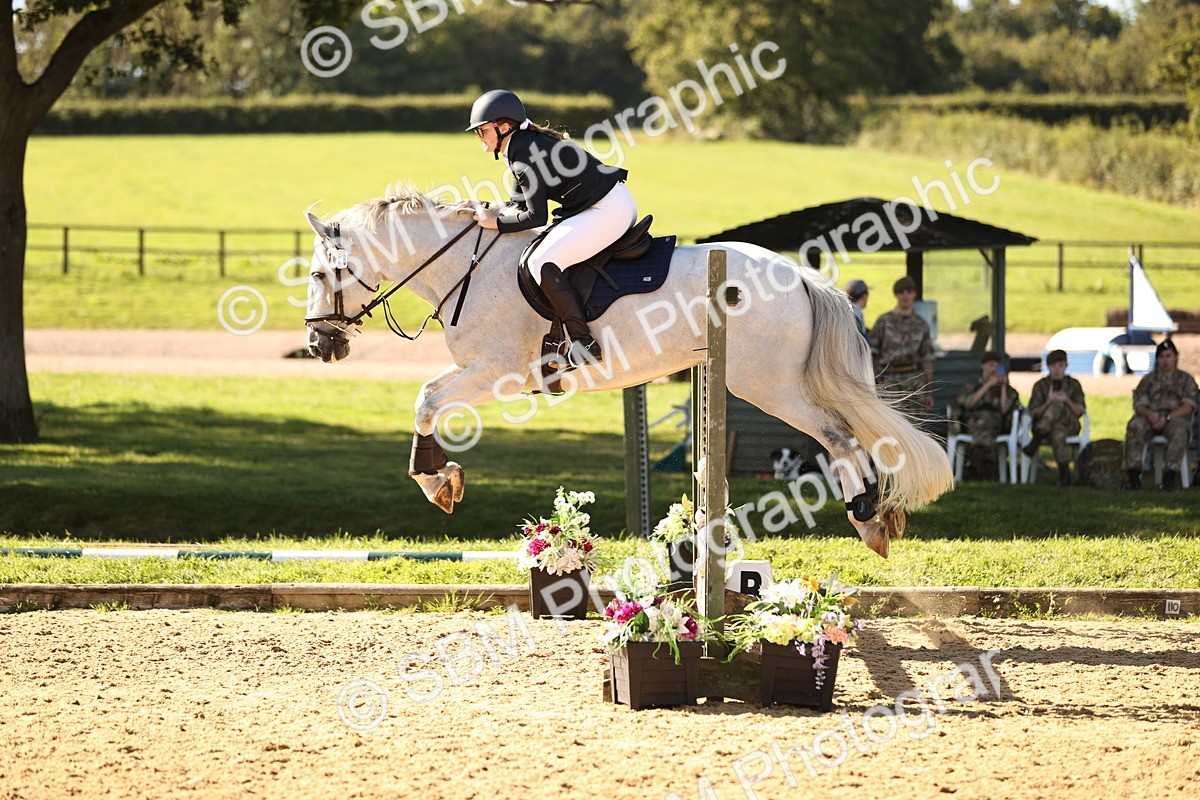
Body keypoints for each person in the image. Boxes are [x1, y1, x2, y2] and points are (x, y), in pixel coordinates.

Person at [465, 89, 637, 368]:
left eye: (483, 131)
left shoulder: (523, 153)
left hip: (607, 211)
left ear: (504, 127)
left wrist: (494, 223)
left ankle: (585, 343)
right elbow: (517, 203)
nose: (480, 138)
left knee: (540, 260)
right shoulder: (521, 145)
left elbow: (535, 217)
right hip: (602, 204)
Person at [1123, 339, 1198, 490]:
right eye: (1162, 357)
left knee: (1180, 431)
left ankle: (1169, 478)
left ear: (1176, 357)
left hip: (1174, 418)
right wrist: (1151, 415)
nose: (1165, 360)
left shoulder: (1186, 380)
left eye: (1168, 356)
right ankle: (1133, 476)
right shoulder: (1148, 380)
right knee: (1135, 426)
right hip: (1150, 417)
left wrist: (1168, 418)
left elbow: (1188, 406)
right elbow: (1139, 404)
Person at [869, 276, 934, 416]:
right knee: (891, 425)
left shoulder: (921, 324)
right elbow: (871, 354)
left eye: (909, 291)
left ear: (914, 294)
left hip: (915, 382)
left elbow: (927, 359)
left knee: (916, 426)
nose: (905, 296)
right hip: (889, 381)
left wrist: (928, 392)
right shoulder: (884, 322)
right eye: (901, 292)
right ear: (896, 294)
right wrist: (876, 382)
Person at [1022, 349, 1087, 487]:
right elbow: (1035, 413)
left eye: (1060, 365)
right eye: (1053, 366)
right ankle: (1065, 475)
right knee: (1057, 430)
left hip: (1070, 424)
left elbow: (1079, 412)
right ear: (1048, 367)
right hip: (1053, 428)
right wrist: (1048, 402)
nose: (1057, 369)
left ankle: (1036, 441)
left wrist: (1067, 400)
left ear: (1066, 366)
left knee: (1058, 404)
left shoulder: (1073, 384)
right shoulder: (1041, 386)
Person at [955, 351, 1021, 481]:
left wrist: (1003, 387)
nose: (994, 369)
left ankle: (975, 465)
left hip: (996, 425)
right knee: (984, 419)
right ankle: (985, 467)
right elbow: (968, 403)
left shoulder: (1007, 390)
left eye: (997, 366)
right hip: (973, 422)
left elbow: (1004, 410)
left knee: (988, 420)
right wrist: (988, 385)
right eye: (991, 365)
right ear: (982, 366)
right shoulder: (972, 385)